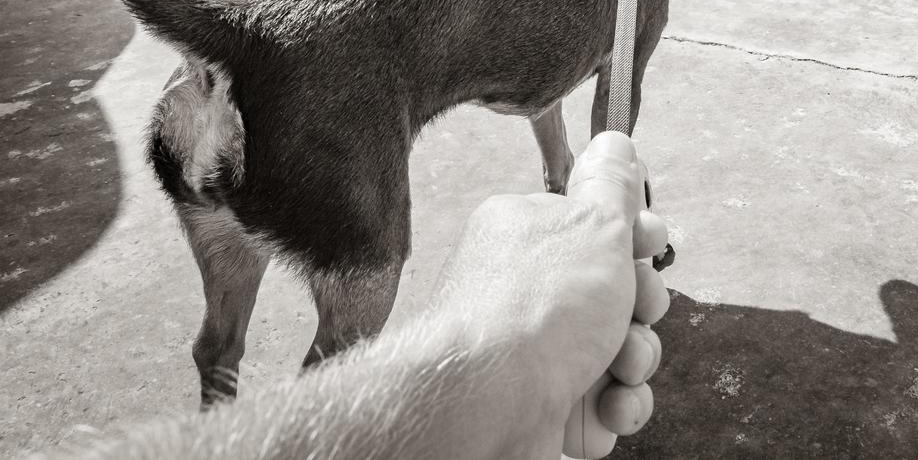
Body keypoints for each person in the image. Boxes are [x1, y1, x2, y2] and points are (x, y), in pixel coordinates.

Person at [82, 132, 669, 459]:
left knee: (225, 336)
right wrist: (487, 360)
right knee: (354, 320)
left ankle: (219, 403)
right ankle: (322, 380)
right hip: (299, 110)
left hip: (196, 113)